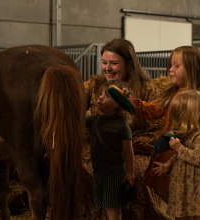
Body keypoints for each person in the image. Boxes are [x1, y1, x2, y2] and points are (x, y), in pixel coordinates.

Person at [130, 45, 200, 203]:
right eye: (170, 65)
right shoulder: (171, 94)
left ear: (193, 68)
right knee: (162, 186)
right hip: (172, 149)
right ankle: (180, 211)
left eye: (176, 66)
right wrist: (132, 103)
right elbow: (152, 110)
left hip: (195, 150)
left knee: (194, 192)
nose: (170, 69)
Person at [82, 38, 167, 219]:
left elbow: (156, 130)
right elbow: (73, 105)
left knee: (136, 172)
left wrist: (122, 147)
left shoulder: (147, 89)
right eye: (104, 63)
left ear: (129, 64)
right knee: (81, 168)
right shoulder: (95, 84)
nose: (107, 68)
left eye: (114, 63)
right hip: (96, 148)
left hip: (135, 149)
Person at [153, 90, 200, 219]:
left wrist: (178, 147)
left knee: (199, 215)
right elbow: (181, 156)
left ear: (189, 117)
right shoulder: (187, 135)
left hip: (197, 186)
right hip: (184, 185)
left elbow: (199, 158)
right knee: (181, 214)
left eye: (177, 116)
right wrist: (168, 164)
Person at [85, 80, 135, 220]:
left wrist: (130, 172)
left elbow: (128, 151)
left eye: (106, 96)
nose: (100, 97)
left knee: (113, 206)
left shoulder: (121, 126)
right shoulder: (94, 119)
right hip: (98, 171)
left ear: (118, 105)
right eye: (100, 94)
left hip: (114, 173)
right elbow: (77, 120)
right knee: (105, 204)